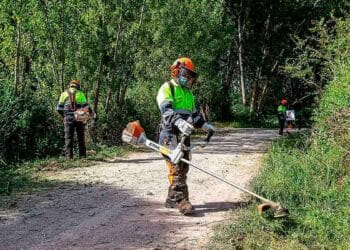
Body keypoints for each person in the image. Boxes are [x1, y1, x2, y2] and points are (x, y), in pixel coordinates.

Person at [156, 57, 215, 215]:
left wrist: (204, 125)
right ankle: (182, 201)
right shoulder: (168, 88)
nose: (188, 78)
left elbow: (194, 115)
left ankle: (171, 198)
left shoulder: (189, 94)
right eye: (185, 74)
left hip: (184, 135)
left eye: (190, 75)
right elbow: (166, 110)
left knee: (184, 166)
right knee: (176, 167)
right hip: (169, 133)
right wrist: (178, 121)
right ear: (176, 71)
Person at [57, 80, 93, 159]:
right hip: (79, 118)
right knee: (81, 137)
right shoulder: (81, 94)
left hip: (68, 118)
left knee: (68, 137)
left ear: (70, 86)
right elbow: (86, 107)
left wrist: (64, 116)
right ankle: (82, 157)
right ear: (77, 86)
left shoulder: (63, 94)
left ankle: (69, 157)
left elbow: (59, 108)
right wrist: (91, 113)